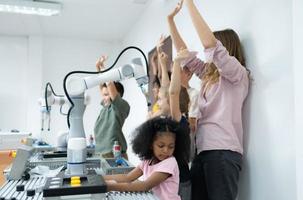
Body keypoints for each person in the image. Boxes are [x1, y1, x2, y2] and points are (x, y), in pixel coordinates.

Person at [168, 0, 250, 199]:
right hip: (203, 152)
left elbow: (210, 45)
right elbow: (184, 56)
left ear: (226, 48)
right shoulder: (208, 76)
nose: (208, 55)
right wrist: (170, 21)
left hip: (222, 152)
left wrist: (189, 3)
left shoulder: (237, 75)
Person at [104, 115, 190, 200]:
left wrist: (110, 186)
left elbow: (145, 185)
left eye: (171, 147)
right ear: (150, 144)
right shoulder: (148, 161)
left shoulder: (170, 163)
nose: (166, 150)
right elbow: (128, 177)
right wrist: (100, 178)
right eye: (161, 146)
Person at [167, 0, 199, 161]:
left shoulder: (193, 94)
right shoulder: (176, 93)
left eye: (178, 70)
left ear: (188, 73)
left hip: (187, 152)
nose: (175, 74)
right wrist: (170, 20)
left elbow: (193, 123)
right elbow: (170, 90)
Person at [94, 55, 130, 159]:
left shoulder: (120, 107)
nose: (104, 96)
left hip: (115, 154)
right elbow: (102, 86)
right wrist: (98, 68)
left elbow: (109, 85)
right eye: (104, 94)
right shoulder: (105, 107)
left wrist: (104, 69)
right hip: (101, 153)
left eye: (107, 94)